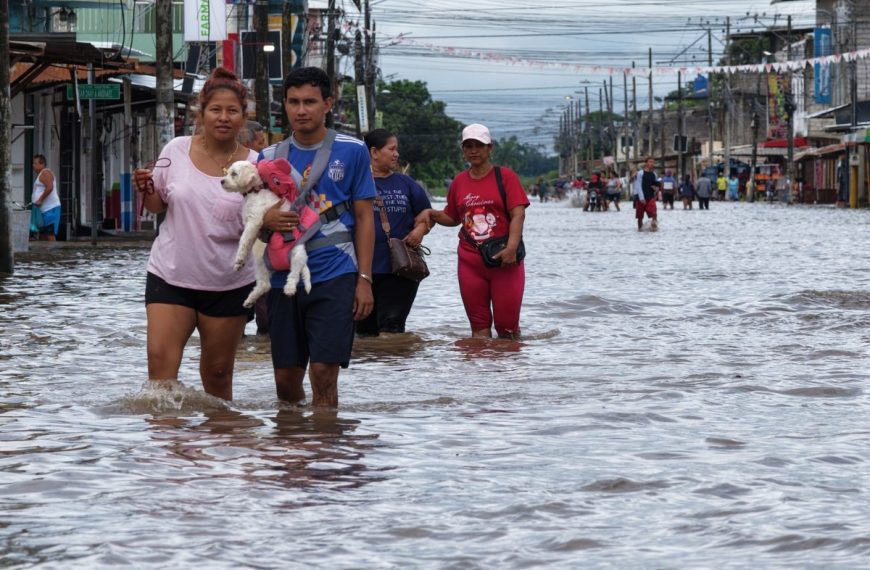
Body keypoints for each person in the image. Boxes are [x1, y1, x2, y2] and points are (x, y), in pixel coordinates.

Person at [133, 67, 257, 401]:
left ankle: (218, 449)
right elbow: (158, 205)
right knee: (159, 378)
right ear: (200, 113)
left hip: (228, 282)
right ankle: (165, 450)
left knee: (218, 377)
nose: (223, 117)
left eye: (232, 111)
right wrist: (145, 189)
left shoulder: (257, 166)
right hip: (170, 276)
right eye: (215, 109)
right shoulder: (175, 149)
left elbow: (264, 223)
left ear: (244, 116)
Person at [259, 66, 376, 408]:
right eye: (293, 102)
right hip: (284, 279)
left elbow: (365, 217)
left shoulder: (353, 151)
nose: (301, 110)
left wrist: (364, 280)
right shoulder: (268, 159)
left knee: (324, 372)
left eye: (310, 101)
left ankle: (326, 450)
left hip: (335, 272)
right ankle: (295, 448)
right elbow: (255, 224)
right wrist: (268, 219)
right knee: (285, 379)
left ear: (328, 103)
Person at [415, 123, 529, 339]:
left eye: (479, 145)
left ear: (490, 148)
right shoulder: (459, 181)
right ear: (463, 150)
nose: (474, 150)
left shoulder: (505, 177)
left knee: (507, 329)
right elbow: (453, 217)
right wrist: (432, 213)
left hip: (504, 260)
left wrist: (512, 248)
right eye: (469, 146)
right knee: (479, 329)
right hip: (469, 261)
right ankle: (478, 372)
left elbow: (518, 214)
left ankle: (509, 372)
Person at [357, 128, 432, 336]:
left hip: (400, 269)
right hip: (363, 269)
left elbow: (427, 214)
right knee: (363, 332)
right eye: (391, 149)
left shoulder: (406, 183)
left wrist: (420, 230)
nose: (396, 154)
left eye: (396, 149)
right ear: (374, 152)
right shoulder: (355, 182)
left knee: (392, 328)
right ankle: (372, 369)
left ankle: (395, 368)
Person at [31, 154, 61, 241]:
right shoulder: (41, 174)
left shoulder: (45, 173)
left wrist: (40, 200)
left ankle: (53, 253)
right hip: (44, 210)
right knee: (43, 235)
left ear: (42, 164)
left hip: (50, 209)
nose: (33, 165)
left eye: (35, 163)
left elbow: (49, 187)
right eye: (33, 163)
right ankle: (45, 254)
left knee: (49, 234)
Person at [636, 156, 660, 231]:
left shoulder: (654, 174)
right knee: (640, 217)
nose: (652, 163)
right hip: (641, 198)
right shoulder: (640, 173)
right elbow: (638, 186)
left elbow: (656, 185)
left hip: (651, 197)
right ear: (646, 163)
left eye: (653, 162)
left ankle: (654, 229)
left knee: (654, 214)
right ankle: (640, 229)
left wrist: (656, 189)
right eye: (650, 162)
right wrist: (641, 197)